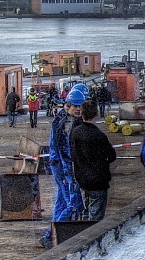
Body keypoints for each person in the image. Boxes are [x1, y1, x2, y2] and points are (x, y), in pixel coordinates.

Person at [41, 89, 86, 248]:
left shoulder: (61, 118)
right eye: (76, 107)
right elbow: (65, 151)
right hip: (64, 169)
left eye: (81, 107)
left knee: (61, 202)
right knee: (73, 203)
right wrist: (70, 174)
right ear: (68, 105)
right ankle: (52, 235)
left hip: (57, 167)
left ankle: (49, 235)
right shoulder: (67, 123)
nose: (79, 110)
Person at [71, 99, 117, 221]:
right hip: (98, 181)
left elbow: (73, 153)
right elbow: (112, 155)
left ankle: (84, 235)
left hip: (82, 179)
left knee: (86, 212)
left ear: (82, 113)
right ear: (96, 114)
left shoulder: (75, 132)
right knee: (96, 216)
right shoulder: (99, 136)